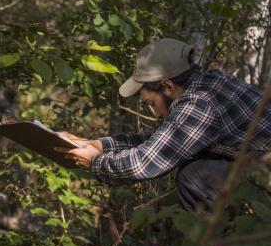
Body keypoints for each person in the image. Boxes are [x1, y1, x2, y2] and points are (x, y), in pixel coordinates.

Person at [57, 38, 271, 211]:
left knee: (194, 175)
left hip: (266, 176)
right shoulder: (209, 83)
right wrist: (98, 144)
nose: (154, 112)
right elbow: (162, 138)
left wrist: (96, 162)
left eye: (150, 103)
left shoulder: (199, 104)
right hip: (261, 170)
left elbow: (144, 163)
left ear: (167, 85)